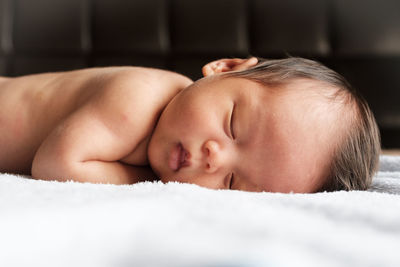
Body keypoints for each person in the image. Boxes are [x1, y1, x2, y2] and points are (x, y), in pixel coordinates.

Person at [0, 57, 381, 193]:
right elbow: (56, 164)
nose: (215, 159)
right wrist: (149, 180)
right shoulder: (138, 98)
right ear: (225, 68)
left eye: (233, 183)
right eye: (232, 124)